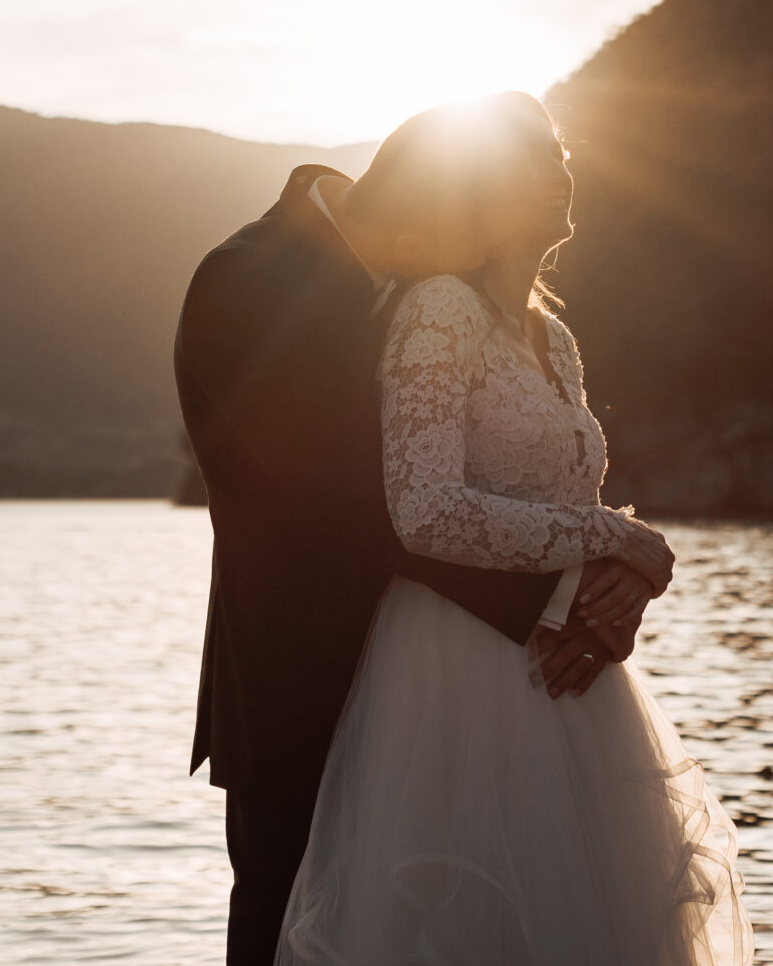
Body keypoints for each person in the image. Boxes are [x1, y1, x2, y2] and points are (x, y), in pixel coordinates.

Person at [275, 93, 751, 966]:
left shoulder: (556, 337)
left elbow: (558, 507)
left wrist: (622, 569)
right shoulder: (438, 311)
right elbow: (423, 511)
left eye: (560, 154)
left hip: (571, 674)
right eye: (533, 158)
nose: (559, 171)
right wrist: (617, 537)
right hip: (459, 674)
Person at [173, 123, 650, 966]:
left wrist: (599, 586)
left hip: (456, 675)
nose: (462, 256)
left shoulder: (417, 283)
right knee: (293, 931)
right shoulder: (244, 278)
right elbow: (354, 501)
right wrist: (574, 584)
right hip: (301, 678)